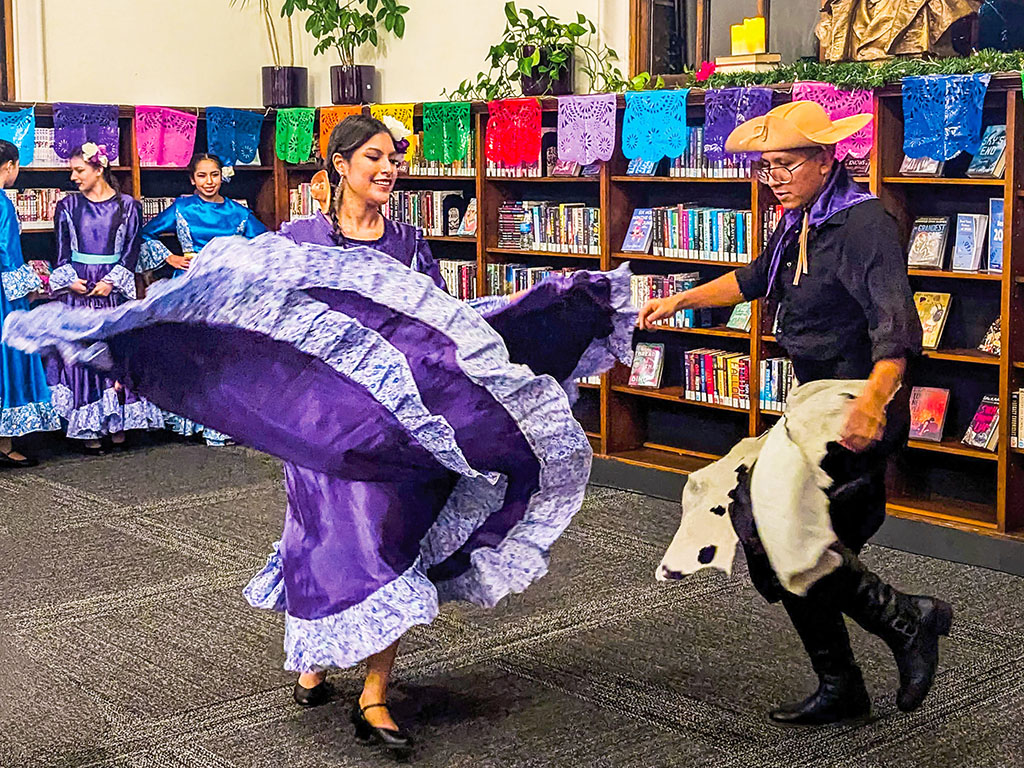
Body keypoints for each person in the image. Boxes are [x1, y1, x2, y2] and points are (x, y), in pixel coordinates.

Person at [4, 115, 634, 762]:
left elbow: (445, 331)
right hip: (320, 428)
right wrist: (143, 336)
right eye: (373, 157)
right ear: (339, 164)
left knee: (388, 543)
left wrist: (532, 319)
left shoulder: (409, 242)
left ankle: (375, 693)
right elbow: (246, 311)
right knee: (320, 542)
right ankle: (314, 657)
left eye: (393, 159)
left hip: (395, 437)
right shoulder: (300, 240)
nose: (388, 169)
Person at [640, 101, 951, 726]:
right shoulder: (797, 219)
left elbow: (896, 328)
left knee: (782, 529)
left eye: (785, 165)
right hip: (812, 403)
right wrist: (680, 299)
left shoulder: (864, 223)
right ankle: (851, 674)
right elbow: (755, 278)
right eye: (766, 167)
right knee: (771, 541)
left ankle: (903, 622)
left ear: (825, 160)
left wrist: (871, 403)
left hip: (856, 403)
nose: (774, 178)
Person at [138, 152, 267, 445]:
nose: (209, 181)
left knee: (223, 353)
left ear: (222, 176)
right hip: (189, 286)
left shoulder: (239, 213)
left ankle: (221, 423)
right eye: (202, 176)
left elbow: (264, 244)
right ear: (192, 180)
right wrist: (169, 257)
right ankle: (191, 419)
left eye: (214, 175)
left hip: (226, 290)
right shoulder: (181, 208)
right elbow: (145, 234)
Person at [46, 142, 163, 453]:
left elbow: (131, 250)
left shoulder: (128, 206)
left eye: (79, 170)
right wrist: (70, 281)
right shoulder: (67, 206)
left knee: (113, 349)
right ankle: (88, 426)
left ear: (99, 169)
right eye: (72, 171)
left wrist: (112, 282)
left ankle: (117, 422)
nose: (73, 177)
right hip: (80, 286)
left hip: (111, 287)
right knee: (84, 351)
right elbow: (61, 251)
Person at [0, 138, 60, 466]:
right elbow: (7, 253)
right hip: (3, 296)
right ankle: (5, 444)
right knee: (7, 361)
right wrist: (30, 286)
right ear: (10, 166)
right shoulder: (3, 204)